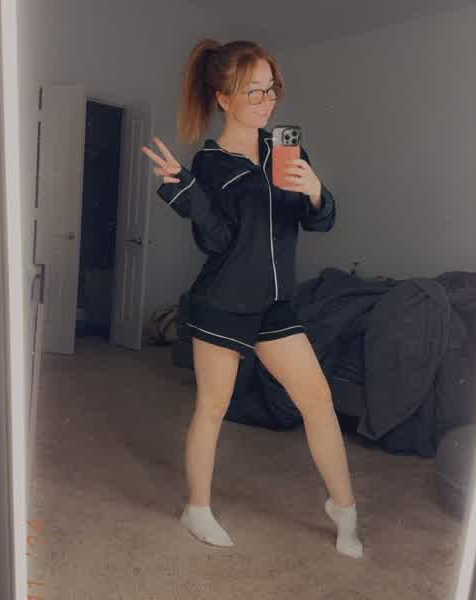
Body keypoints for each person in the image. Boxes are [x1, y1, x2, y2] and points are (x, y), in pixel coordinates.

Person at [141, 38, 363, 559]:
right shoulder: (211, 163)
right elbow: (217, 241)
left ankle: (344, 508)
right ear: (224, 98)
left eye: (271, 88)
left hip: (275, 304)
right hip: (223, 301)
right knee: (212, 407)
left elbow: (318, 221)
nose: (267, 101)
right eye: (253, 91)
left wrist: (315, 190)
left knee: (318, 401)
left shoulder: (285, 148)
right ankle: (197, 509)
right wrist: (185, 193)